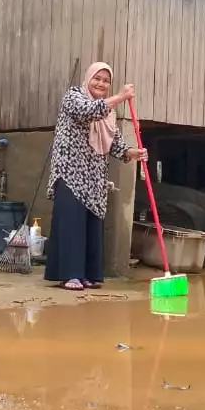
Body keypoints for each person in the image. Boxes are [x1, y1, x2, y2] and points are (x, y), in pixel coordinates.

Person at [45, 62, 147, 291]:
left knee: (91, 226)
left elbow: (115, 143)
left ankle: (87, 275)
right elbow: (87, 112)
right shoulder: (73, 97)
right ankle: (69, 274)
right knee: (72, 224)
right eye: (97, 78)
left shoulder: (108, 112)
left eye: (106, 80)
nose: (101, 83)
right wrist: (120, 97)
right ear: (88, 78)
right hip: (70, 173)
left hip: (95, 177)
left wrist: (133, 153)